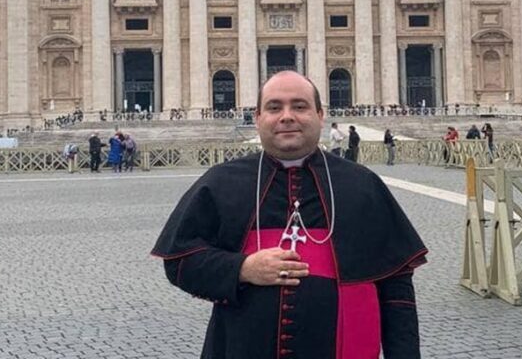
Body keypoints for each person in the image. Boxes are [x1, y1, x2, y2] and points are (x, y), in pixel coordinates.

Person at [152, 71, 427, 358]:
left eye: (299, 106)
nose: (286, 117)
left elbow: (397, 291)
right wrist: (242, 269)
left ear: (320, 115)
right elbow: (179, 262)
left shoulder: (363, 184)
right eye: (274, 107)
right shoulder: (220, 182)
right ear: (258, 118)